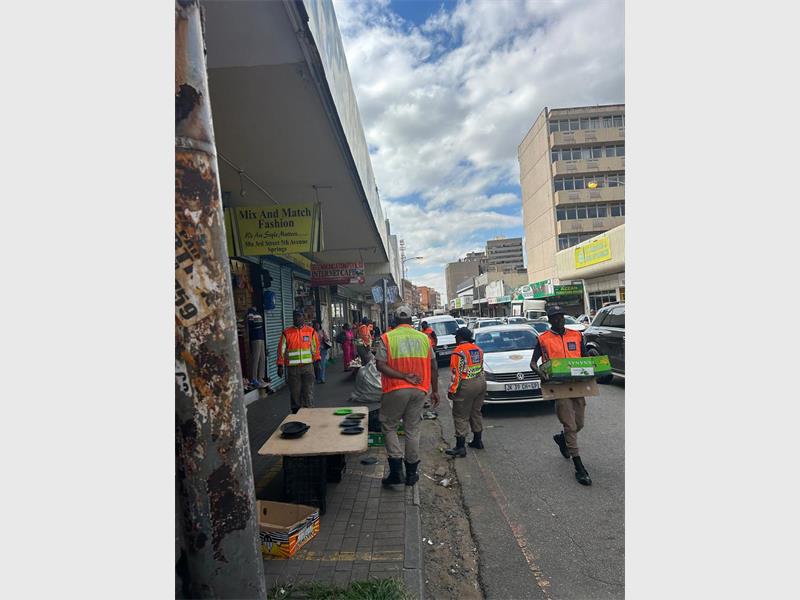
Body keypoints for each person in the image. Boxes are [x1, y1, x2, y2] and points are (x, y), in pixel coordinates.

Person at [375, 305, 440, 487]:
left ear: (395, 321)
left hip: (395, 389)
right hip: (420, 390)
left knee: (389, 426)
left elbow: (380, 365)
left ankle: (396, 472)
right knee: (412, 429)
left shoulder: (387, 338)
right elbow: (434, 367)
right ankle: (412, 474)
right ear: (411, 321)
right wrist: (435, 390)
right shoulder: (424, 339)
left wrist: (403, 376)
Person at [530, 305, 592, 486]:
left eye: (561, 316)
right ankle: (579, 467)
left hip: (577, 385)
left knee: (579, 423)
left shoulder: (577, 335)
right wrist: (541, 374)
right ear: (549, 320)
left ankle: (562, 439)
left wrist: (593, 369)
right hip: (558, 387)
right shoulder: (543, 339)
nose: (559, 320)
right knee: (570, 426)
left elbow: (585, 357)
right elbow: (533, 363)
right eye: (555, 317)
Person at [445, 327, 487, 457]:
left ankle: (460, 447)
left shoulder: (458, 352)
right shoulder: (478, 350)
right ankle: (477, 440)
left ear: (460, 338)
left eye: (456, 337)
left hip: (466, 384)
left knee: (460, 415)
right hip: (480, 382)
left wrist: (452, 390)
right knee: (475, 412)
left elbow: (455, 374)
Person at [277, 310, 320, 414]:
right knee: (295, 393)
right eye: (294, 316)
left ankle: (309, 412)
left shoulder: (311, 331)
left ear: (303, 317)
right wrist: (280, 365)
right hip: (293, 369)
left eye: (299, 316)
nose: (296, 318)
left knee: (308, 391)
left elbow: (315, 349)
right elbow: (281, 350)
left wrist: (317, 363)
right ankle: (296, 413)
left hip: (308, 367)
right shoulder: (286, 333)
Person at [246, 306, 268, 389]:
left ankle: (260, 378)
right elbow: (250, 324)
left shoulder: (257, 313)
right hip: (255, 337)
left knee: (262, 358)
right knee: (256, 358)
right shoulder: (250, 313)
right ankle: (254, 378)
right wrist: (258, 325)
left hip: (261, 336)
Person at [312, 320, 331, 384]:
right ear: (313, 326)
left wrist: (326, 339)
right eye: (315, 325)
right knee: (316, 365)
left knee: (322, 364)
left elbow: (327, 338)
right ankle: (317, 378)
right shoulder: (311, 332)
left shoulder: (322, 331)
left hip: (322, 350)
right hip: (314, 351)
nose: (317, 326)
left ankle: (322, 379)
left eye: (318, 325)